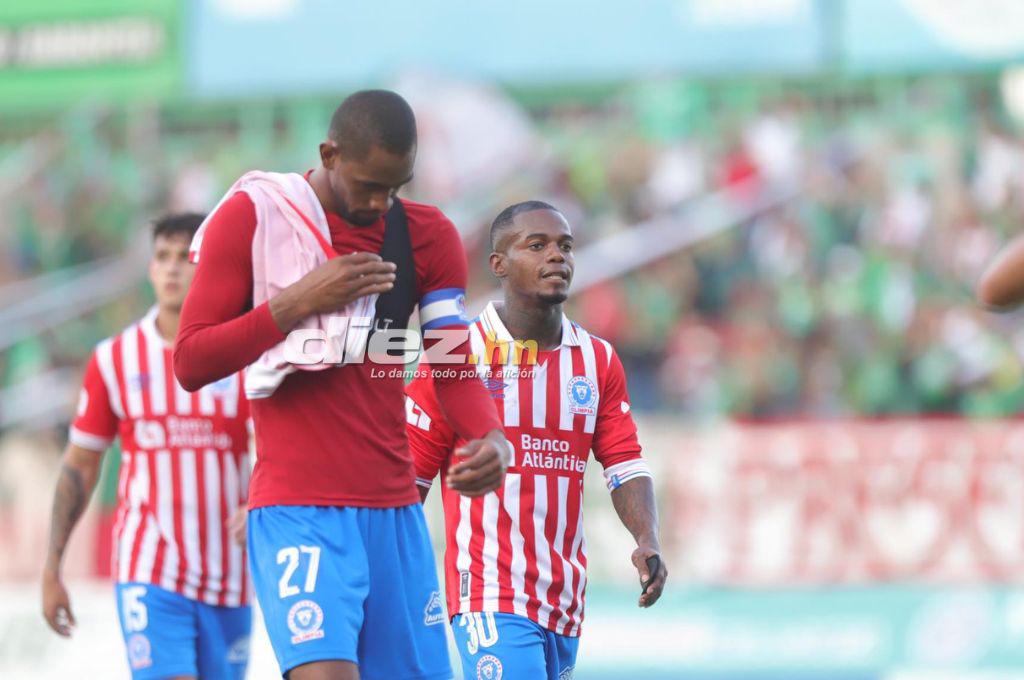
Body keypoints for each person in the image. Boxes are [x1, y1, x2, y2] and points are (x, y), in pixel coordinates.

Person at [173, 90, 508, 680]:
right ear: (329, 154)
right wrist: (299, 300)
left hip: (395, 517)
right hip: (297, 510)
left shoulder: (427, 236)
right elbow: (192, 360)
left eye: (396, 187)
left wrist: (491, 436)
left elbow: (453, 367)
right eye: (368, 186)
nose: (380, 203)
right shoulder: (254, 217)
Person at [405, 201, 667, 680]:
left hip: (564, 597)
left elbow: (625, 462)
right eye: (537, 245)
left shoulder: (597, 360)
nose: (557, 256)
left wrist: (646, 538)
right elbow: (409, 481)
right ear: (498, 264)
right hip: (487, 589)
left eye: (565, 246)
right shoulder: (455, 354)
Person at [42, 213, 253, 679]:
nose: (172, 268)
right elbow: (80, 465)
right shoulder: (114, 359)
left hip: (230, 575)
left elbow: (278, 447)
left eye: (184, 257)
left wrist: (260, 500)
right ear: (151, 269)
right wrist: (52, 567)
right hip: (149, 569)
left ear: (208, 269)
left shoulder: (242, 356)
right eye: (162, 257)